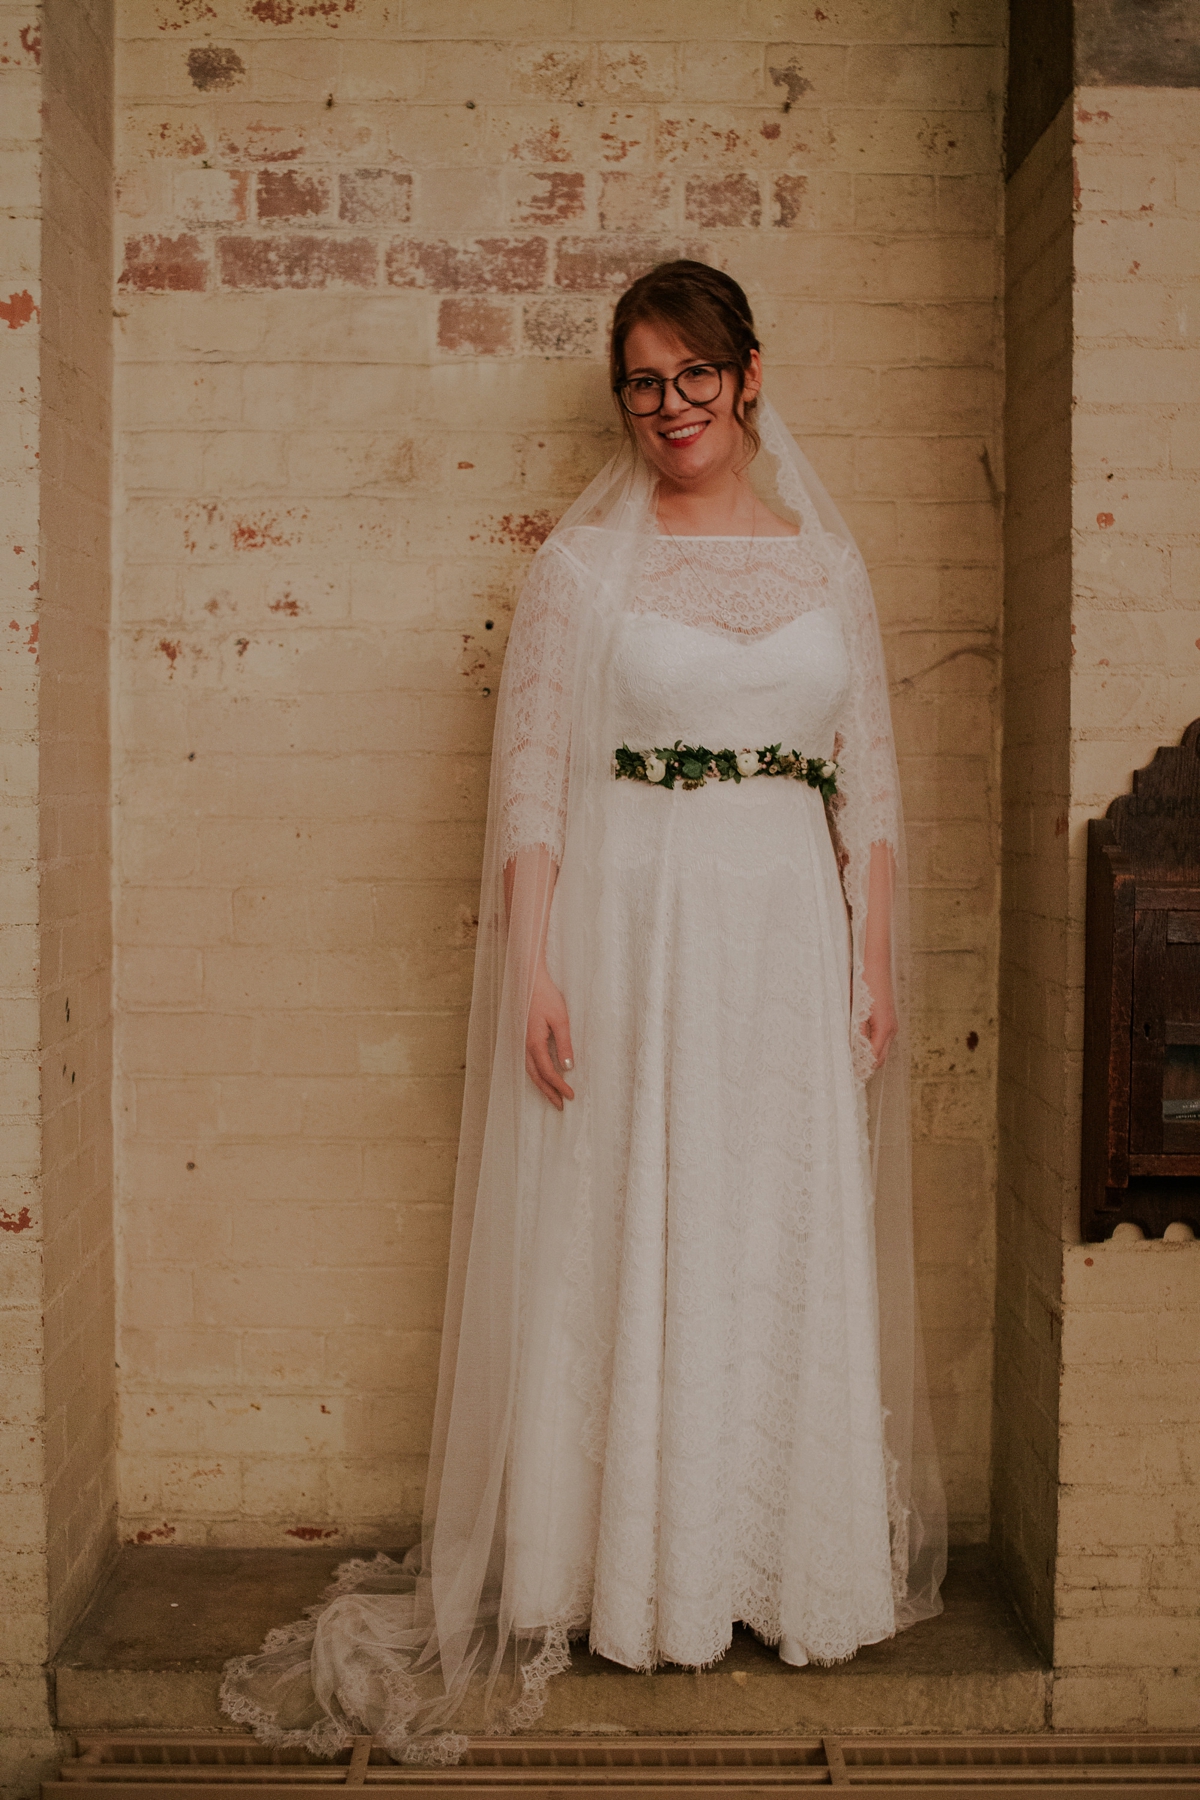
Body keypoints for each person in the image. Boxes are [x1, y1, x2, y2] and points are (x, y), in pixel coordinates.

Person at [221, 260, 946, 1762]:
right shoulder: (582, 572)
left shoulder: (828, 566)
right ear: (624, 397)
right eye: (643, 381)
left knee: (769, 1221)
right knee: (637, 1218)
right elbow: (534, 784)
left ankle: (766, 1562)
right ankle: (625, 1575)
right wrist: (539, 964)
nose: (670, 407)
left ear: (750, 378)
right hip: (636, 932)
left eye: (696, 376)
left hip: (784, 947)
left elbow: (867, 782)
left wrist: (872, 962)